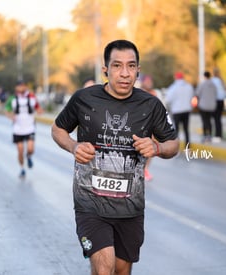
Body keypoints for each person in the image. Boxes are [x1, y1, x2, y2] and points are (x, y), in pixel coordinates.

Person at [51, 39, 179, 275]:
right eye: (117, 66)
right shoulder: (84, 99)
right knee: (104, 265)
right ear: (106, 70)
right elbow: (58, 129)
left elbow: (174, 144)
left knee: (121, 269)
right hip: (90, 202)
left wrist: (157, 148)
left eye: (131, 66)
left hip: (130, 207)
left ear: (138, 70)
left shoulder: (150, 105)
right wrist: (73, 146)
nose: (124, 73)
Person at [5, 80, 43, 178]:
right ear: (16, 88)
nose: (21, 88)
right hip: (17, 129)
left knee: (30, 149)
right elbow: (7, 110)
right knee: (20, 151)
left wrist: (39, 110)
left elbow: (39, 109)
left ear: (26, 87)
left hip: (30, 128)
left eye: (23, 86)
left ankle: (29, 156)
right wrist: (11, 116)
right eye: (19, 86)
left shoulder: (31, 97)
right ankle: (22, 169)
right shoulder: (12, 98)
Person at [165, 71, 194, 146]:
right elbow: (192, 96)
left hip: (176, 111)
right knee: (186, 129)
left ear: (176, 78)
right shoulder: (189, 86)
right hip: (186, 110)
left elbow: (168, 99)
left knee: (176, 129)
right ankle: (187, 145)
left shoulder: (173, 87)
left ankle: (176, 145)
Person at [196, 71, 217, 142]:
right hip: (212, 106)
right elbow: (215, 94)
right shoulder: (213, 84)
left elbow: (197, 93)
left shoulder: (202, 84)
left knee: (204, 121)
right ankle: (210, 135)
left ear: (204, 76)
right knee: (210, 121)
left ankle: (205, 135)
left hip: (203, 106)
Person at [211, 68, 226, 143]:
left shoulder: (213, 80)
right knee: (219, 119)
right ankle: (219, 135)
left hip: (216, 101)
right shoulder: (221, 81)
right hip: (222, 101)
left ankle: (217, 136)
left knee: (215, 119)